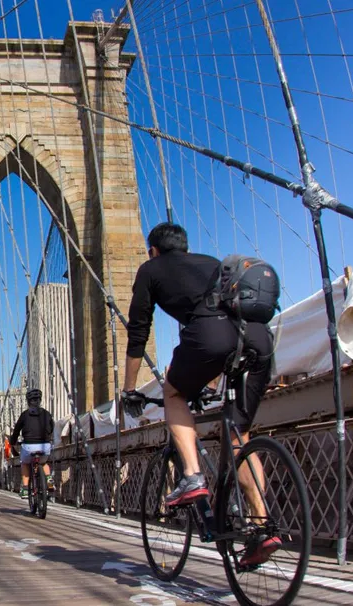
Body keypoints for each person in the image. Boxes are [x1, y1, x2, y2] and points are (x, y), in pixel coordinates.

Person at [120, 222, 275, 566]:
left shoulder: (150, 269)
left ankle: (191, 476)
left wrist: (130, 389)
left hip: (210, 337)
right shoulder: (212, 262)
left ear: (153, 250)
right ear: (186, 247)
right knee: (240, 434)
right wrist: (209, 383)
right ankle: (263, 527)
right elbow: (229, 318)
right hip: (260, 339)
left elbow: (138, 332)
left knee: (173, 392)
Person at [9, 388, 55, 498]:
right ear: (40, 400)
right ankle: (49, 481)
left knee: (25, 463)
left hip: (28, 446)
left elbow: (16, 430)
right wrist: (48, 437)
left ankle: (25, 489)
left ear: (28, 401)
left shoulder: (24, 415)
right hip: (44, 446)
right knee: (43, 463)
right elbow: (52, 427)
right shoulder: (47, 414)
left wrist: (13, 442)